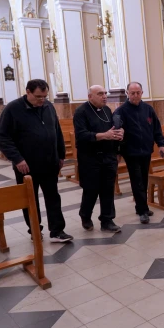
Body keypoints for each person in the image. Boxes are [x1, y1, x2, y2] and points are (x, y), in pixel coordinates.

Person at [0, 79, 73, 243]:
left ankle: (57, 230)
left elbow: (57, 131)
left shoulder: (48, 106)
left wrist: (61, 155)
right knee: (30, 199)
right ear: (28, 92)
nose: (42, 100)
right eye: (38, 96)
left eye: (45, 96)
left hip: (50, 162)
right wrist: (17, 159)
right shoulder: (12, 109)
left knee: (53, 197)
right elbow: (2, 137)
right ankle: (35, 229)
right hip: (26, 166)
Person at [114, 82, 164, 224]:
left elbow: (156, 128)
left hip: (146, 150)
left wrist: (161, 144)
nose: (135, 95)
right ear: (127, 93)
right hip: (130, 152)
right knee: (137, 181)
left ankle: (140, 207)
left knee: (143, 179)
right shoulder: (121, 111)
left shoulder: (148, 109)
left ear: (142, 92)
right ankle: (143, 210)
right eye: (132, 93)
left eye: (138, 92)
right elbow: (116, 133)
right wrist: (118, 152)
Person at [73, 85, 123, 233]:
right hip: (90, 158)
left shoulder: (107, 110)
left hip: (108, 156)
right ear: (90, 97)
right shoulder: (81, 112)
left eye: (105, 93)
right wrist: (103, 136)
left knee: (108, 189)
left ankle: (107, 220)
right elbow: (81, 136)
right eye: (100, 94)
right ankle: (85, 215)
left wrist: (119, 134)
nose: (104, 96)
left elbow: (112, 130)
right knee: (91, 190)